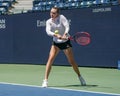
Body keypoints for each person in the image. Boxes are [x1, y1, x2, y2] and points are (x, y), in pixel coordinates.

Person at [42, 7, 86, 87]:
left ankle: (80, 76)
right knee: (50, 60)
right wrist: (56, 35)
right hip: (56, 43)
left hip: (65, 42)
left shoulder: (62, 17)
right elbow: (48, 31)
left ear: (57, 13)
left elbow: (67, 26)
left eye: (54, 13)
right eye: (51, 12)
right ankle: (45, 80)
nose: (52, 14)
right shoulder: (48, 21)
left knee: (72, 62)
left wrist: (65, 34)